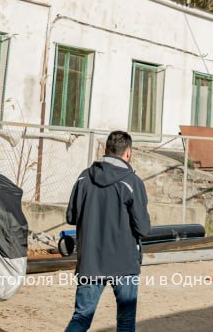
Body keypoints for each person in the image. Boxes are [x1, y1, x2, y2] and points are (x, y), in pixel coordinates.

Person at [65, 130, 152, 332]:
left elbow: (71, 217)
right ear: (128, 152)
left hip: (90, 261)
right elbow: (144, 228)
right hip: (124, 263)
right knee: (126, 322)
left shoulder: (83, 178)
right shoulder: (132, 182)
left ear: (106, 150)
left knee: (80, 318)